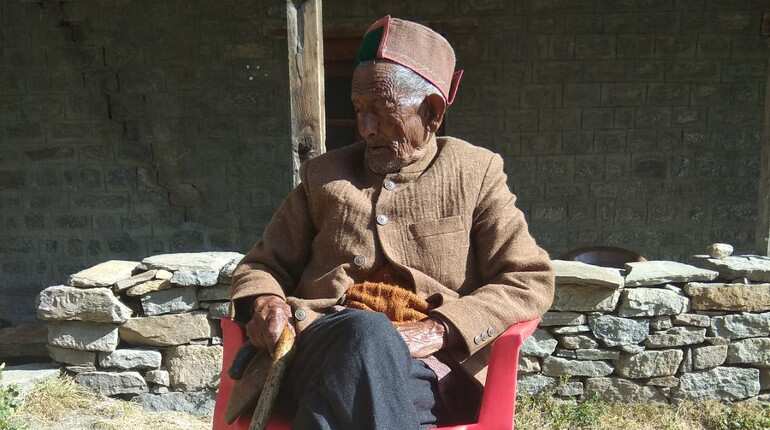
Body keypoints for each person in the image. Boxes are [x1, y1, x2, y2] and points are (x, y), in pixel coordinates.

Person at [227, 15, 554, 430]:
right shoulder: (323, 176)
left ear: (432, 111)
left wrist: (439, 329)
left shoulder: (475, 172)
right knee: (364, 334)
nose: (365, 128)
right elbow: (262, 265)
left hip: (425, 370)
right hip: (318, 345)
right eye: (359, 110)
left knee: (347, 389)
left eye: (381, 112)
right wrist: (266, 302)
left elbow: (528, 279)